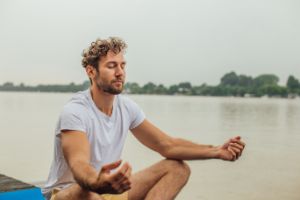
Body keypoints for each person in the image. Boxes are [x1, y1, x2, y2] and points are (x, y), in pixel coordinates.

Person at [42, 37, 245, 200]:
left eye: (122, 65)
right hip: (70, 194)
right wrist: (96, 181)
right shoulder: (75, 111)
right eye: (112, 66)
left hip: (106, 193)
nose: (120, 72)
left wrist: (217, 151)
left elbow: (167, 145)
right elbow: (79, 164)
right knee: (86, 193)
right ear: (91, 71)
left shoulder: (126, 107)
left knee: (177, 168)